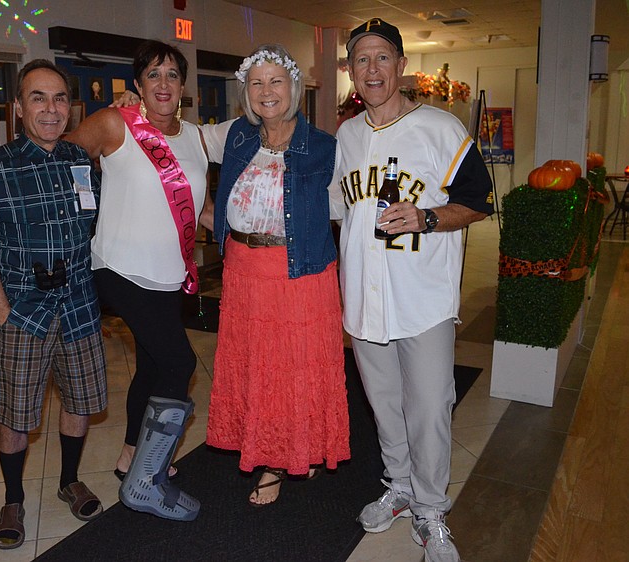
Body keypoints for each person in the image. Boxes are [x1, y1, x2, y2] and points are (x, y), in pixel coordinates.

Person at [329, 19, 494, 562]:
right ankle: (398, 486)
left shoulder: (442, 128)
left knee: (429, 408)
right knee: (385, 405)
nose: (371, 69)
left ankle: (430, 508)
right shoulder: (346, 137)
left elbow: (477, 201)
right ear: (350, 71)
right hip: (365, 300)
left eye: (382, 58)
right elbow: (337, 211)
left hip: (422, 298)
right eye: (361, 60)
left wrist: (426, 216)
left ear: (401, 66)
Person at [0, 59, 107, 550]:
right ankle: (13, 497)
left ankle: (69, 480)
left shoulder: (81, 163)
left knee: (80, 403)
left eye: (59, 98)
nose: (51, 108)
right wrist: (3, 313)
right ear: (19, 107)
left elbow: (98, 225)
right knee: (16, 415)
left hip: (80, 305)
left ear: (70, 107)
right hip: (25, 312)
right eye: (38, 97)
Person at [66, 40, 210, 522]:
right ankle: (146, 482)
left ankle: (131, 456)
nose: (164, 83)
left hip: (169, 273)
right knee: (180, 361)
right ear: (138, 86)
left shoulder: (194, 136)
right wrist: (86, 207)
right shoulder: (115, 122)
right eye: (153, 74)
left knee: (151, 366)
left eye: (172, 74)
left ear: (184, 87)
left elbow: (197, 204)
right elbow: (64, 160)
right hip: (120, 267)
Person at [201, 44, 350, 506]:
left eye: (276, 81)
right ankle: (263, 448)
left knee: (294, 371)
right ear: (246, 92)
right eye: (256, 83)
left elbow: (352, 209)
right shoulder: (236, 137)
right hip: (244, 273)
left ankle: (281, 460)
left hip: (300, 276)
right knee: (257, 371)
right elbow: (176, 137)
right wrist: (138, 109)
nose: (267, 92)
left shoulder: (326, 145)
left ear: (294, 88)